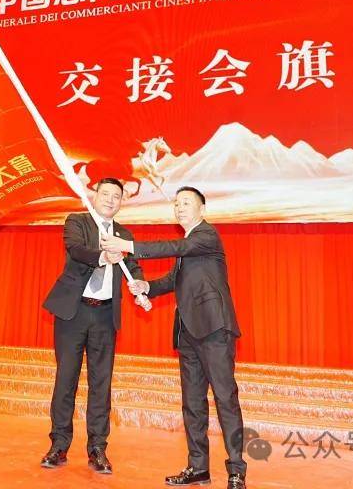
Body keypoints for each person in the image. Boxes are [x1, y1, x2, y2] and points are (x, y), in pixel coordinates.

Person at [101, 186, 246, 489]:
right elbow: (173, 280)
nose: (180, 208)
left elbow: (173, 247)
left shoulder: (206, 235)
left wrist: (127, 245)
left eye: (186, 203)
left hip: (214, 329)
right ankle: (198, 468)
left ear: (202, 209)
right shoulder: (187, 247)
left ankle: (236, 471)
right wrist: (147, 287)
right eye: (177, 203)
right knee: (192, 403)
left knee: (225, 399)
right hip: (187, 332)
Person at [40, 177, 143, 475]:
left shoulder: (124, 234)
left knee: (101, 383)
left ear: (122, 202)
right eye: (105, 194)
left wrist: (139, 282)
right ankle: (59, 445)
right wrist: (103, 256)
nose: (110, 199)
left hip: (105, 315)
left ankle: (98, 448)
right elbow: (76, 250)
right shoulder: (77, 222)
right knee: (66, 379)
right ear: (95, 196)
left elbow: (133, 265)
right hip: (73, 313)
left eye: (116, 196)